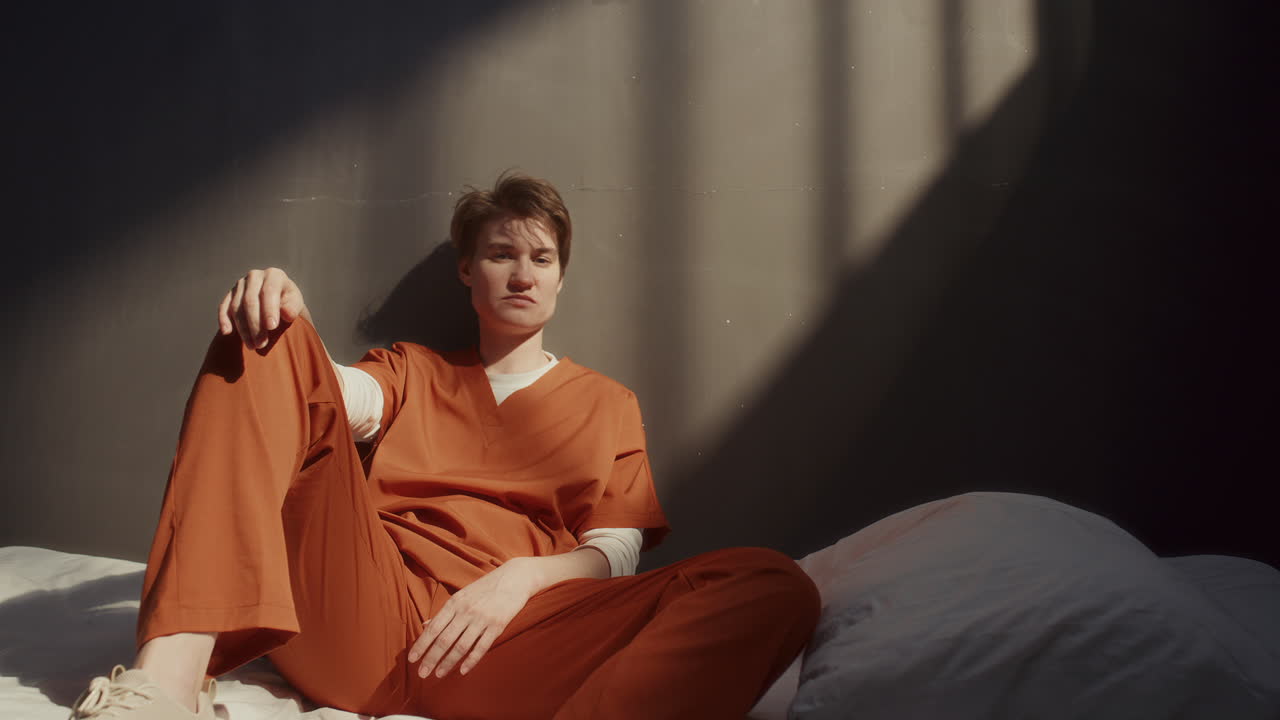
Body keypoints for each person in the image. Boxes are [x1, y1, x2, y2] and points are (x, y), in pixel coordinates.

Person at [68, 171, 820, 720]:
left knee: (772, 582)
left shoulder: (607, 403)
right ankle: (162, 687)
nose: (522, 273)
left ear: (561, 277)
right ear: (468, 271)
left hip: (510, 641)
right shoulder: (412, 370)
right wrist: (286, 315)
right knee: (264, 339)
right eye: (501, 254)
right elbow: (334, 393)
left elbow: (616, 549)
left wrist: (520, 579)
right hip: (365, 619)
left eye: (542, 258)